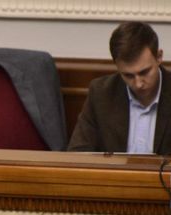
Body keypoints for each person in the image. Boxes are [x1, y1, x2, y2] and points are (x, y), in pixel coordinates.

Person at [68, 22, 171, 154]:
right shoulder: (101, 93)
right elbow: (78, 152)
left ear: (159, 57)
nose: (138, 84)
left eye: (144, 72)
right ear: (117, 66)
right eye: (128, 75)